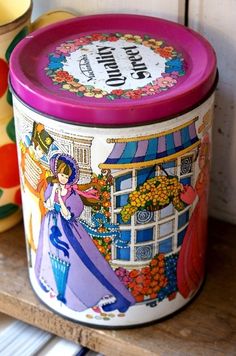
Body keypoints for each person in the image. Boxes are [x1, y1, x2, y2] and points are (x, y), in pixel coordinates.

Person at [35, 153, 135, 313]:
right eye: (60, 174)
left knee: (89, 262)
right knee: (46, 253)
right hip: (51, 224)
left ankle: (121, 298)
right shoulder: (53, 187)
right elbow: (47, 203)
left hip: (69, 231)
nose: (62, 178)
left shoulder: (72, 194)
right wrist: (53, 195)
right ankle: (43, 281)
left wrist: (60, 201)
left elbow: (70, 214)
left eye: (66, 175)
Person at [177, 134, 210, 298]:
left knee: (193, 244)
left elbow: (196, 195)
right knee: (192, 244)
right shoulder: (202, 173)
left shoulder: (203, 173)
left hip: (198, 211)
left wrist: (187, 196)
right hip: (198, 210)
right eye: (201, 156)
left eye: (203, 156)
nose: (201, 160)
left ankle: (190, 282)